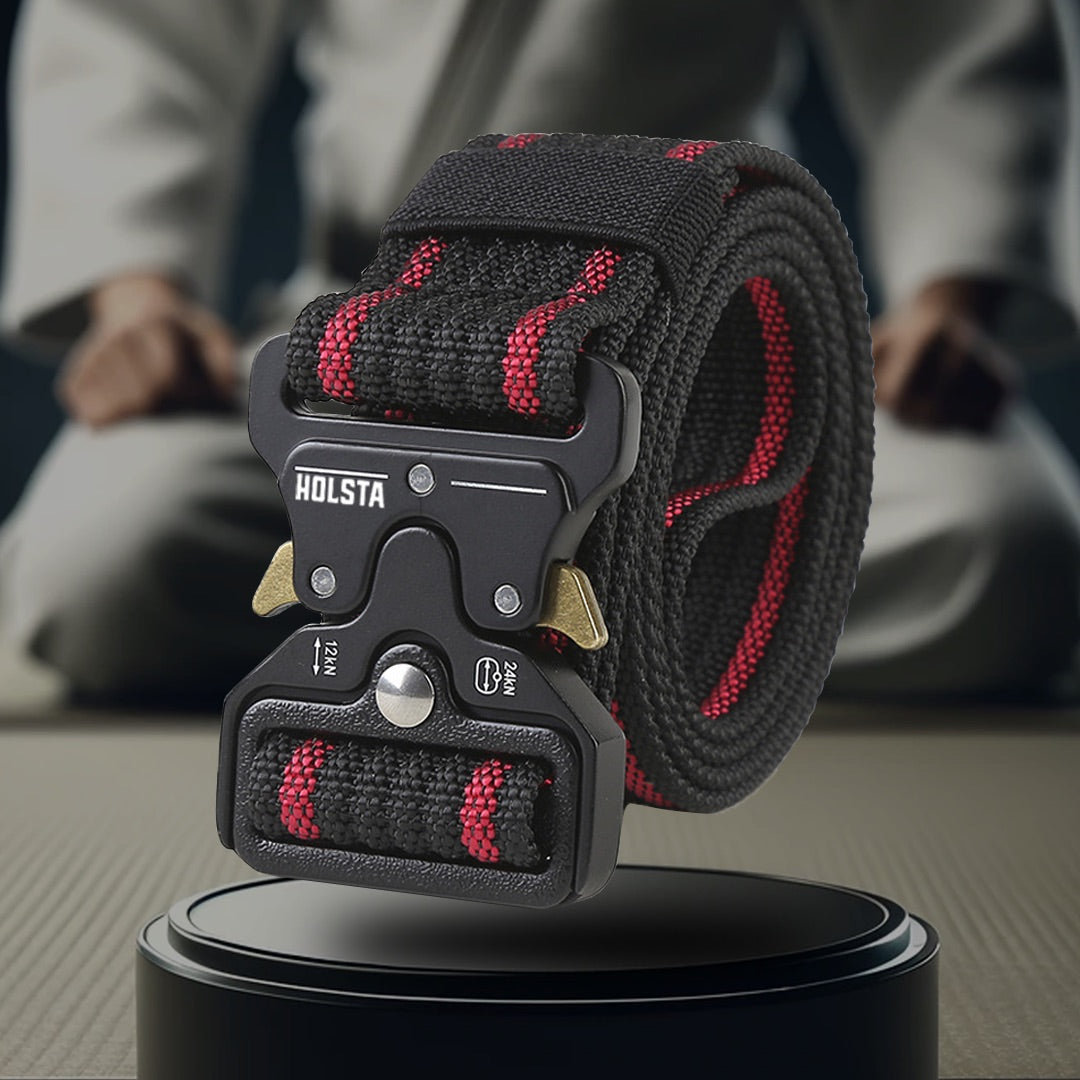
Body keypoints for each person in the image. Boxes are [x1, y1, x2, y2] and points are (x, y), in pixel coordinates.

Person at [1, 0, 1078, 706]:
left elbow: (957, 35)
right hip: (377, 344)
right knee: (108, 563)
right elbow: (136, 30)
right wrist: (136, 291)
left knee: (1005, 549)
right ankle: (638, 644)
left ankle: (428, 635)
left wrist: (955, 293)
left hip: (706, 341)